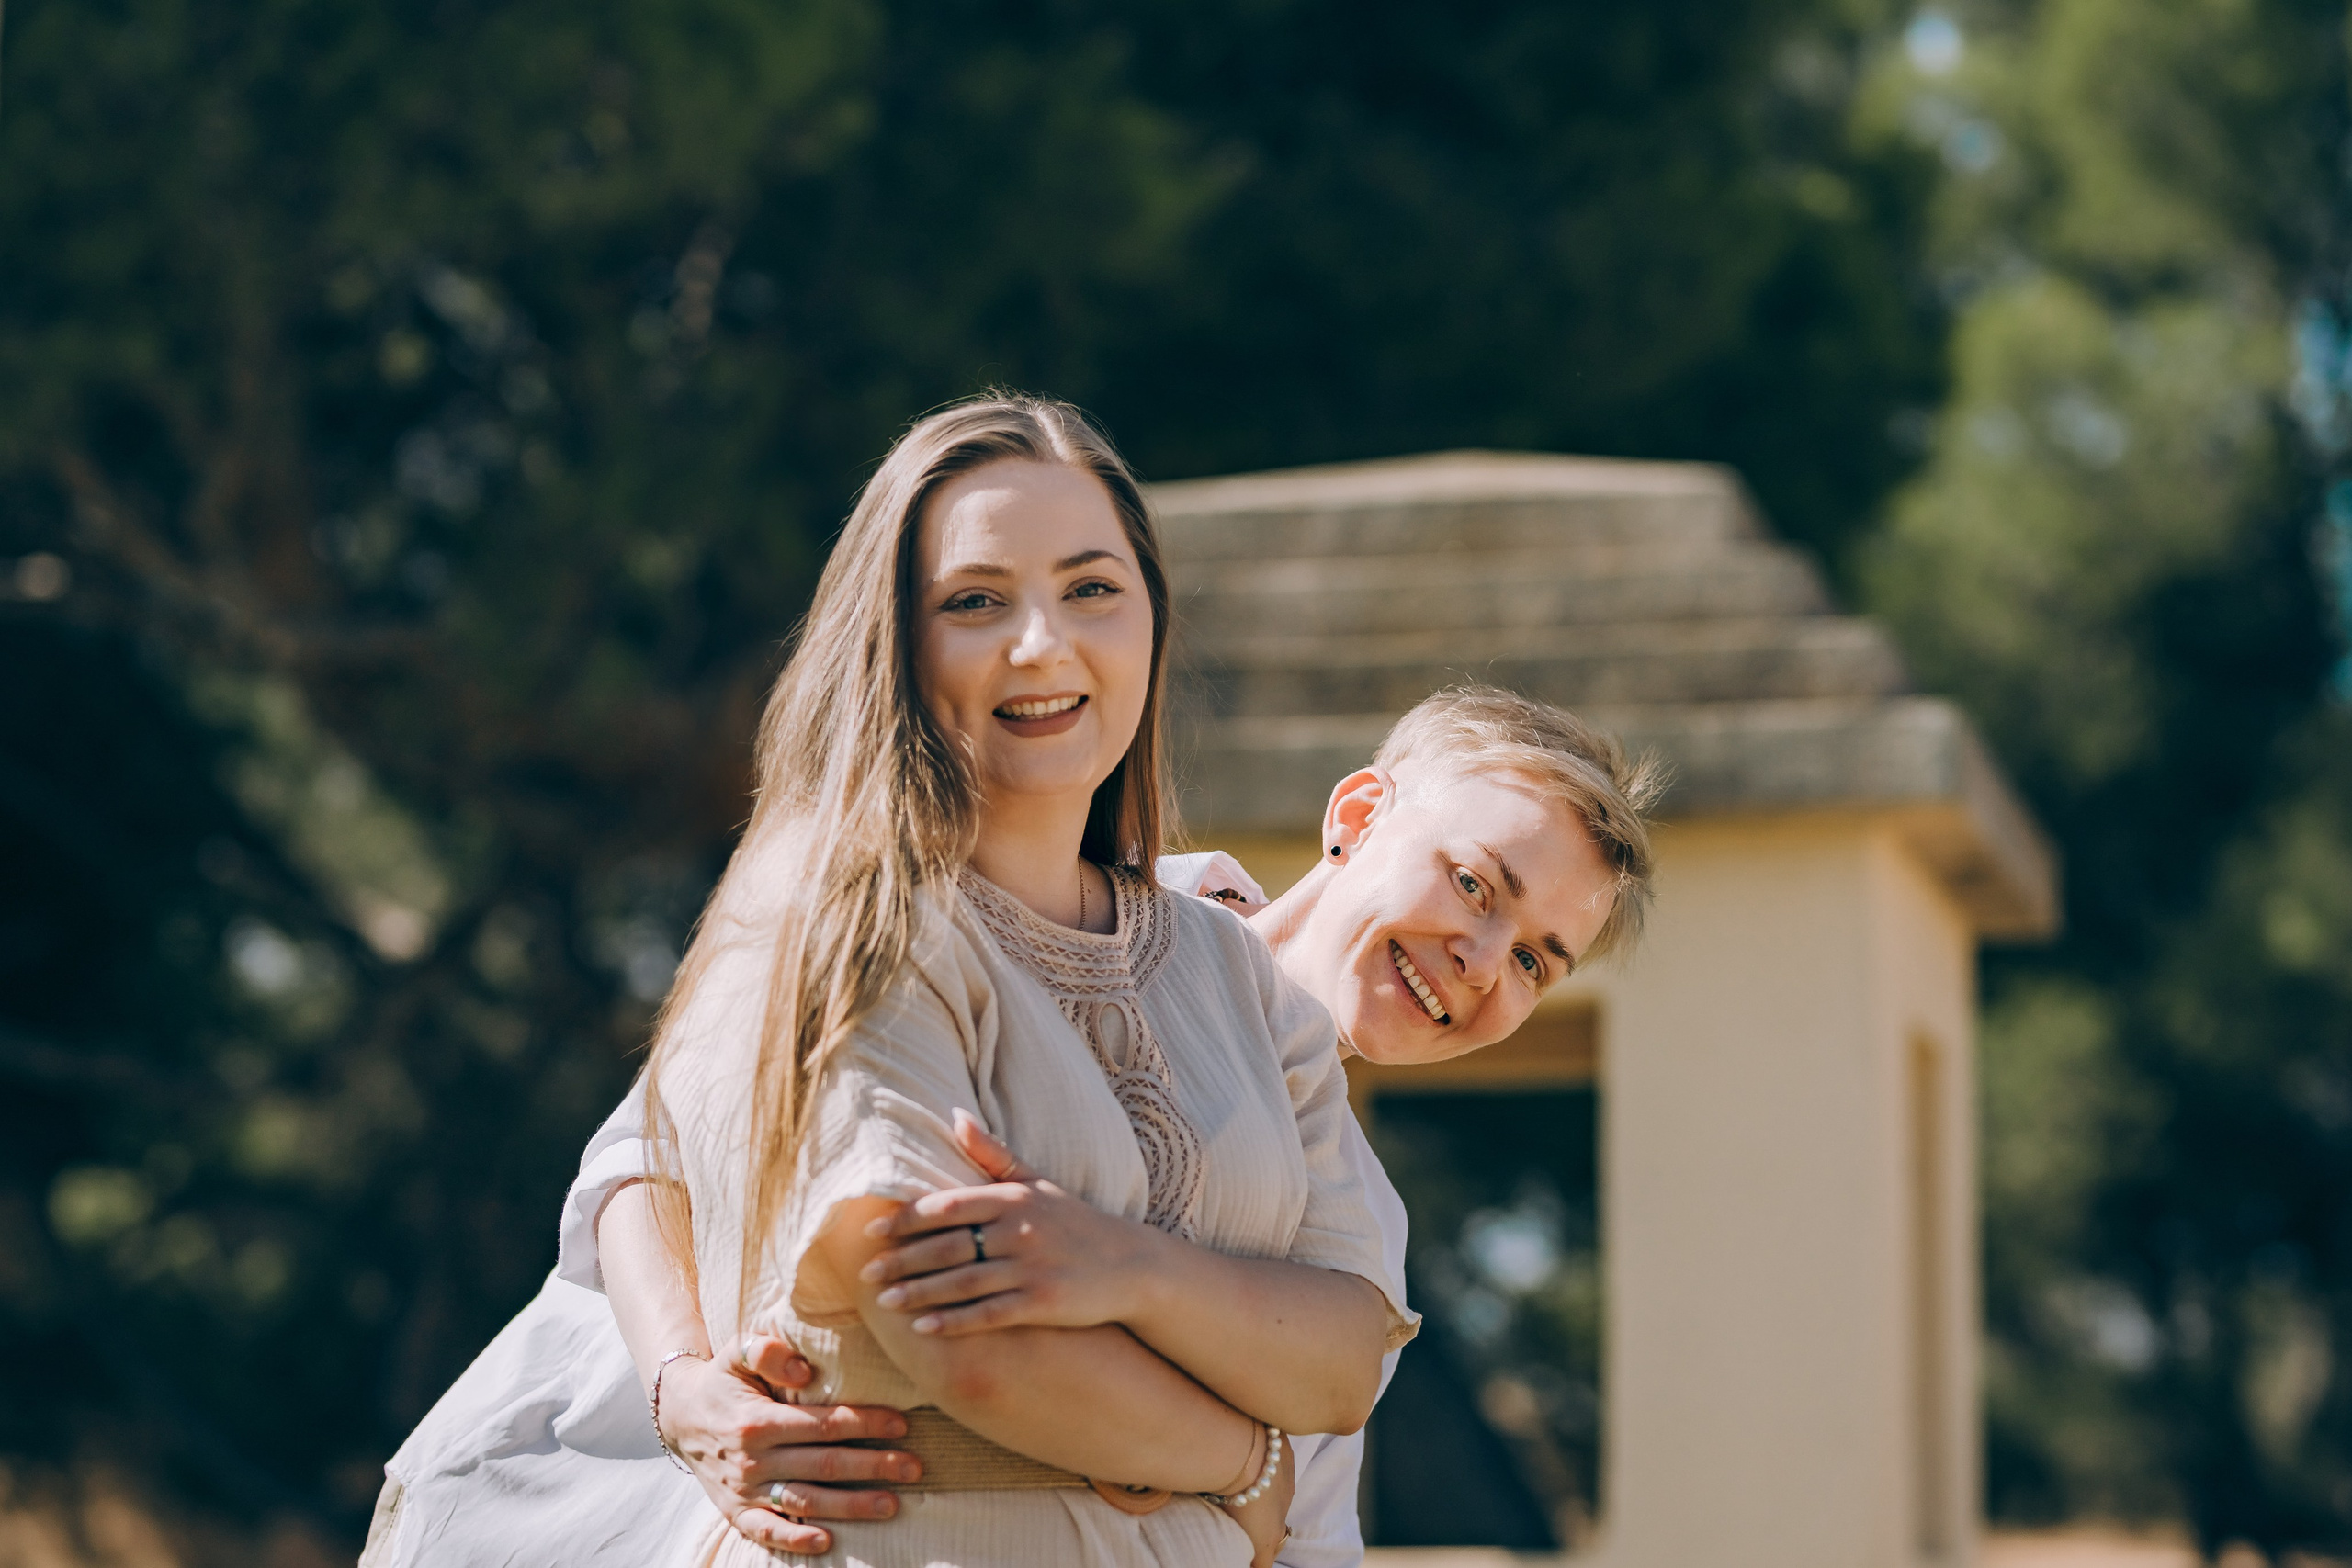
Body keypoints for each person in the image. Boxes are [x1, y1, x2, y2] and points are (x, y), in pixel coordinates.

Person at [372, 392, 1418, 1568]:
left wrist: (1125, 1271)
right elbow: (961, 1334)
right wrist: (1243, 1461)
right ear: (896, 643)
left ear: (1153, 625)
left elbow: (1341, 1359)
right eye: (975, 602)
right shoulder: (848, 918)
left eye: (1092, 590)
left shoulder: (1239, 972)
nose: (1043, 643)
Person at [371, 681, 1661, 1568]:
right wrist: (681, 1383)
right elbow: (654, 1147)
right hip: (580, 1506)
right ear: (1360, 814)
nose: (1486, 956)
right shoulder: (1045, 896)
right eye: (1475, 881)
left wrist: (1238, 1457)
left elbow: (1292, 1532)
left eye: (1540, 957)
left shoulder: (1355, 1244)